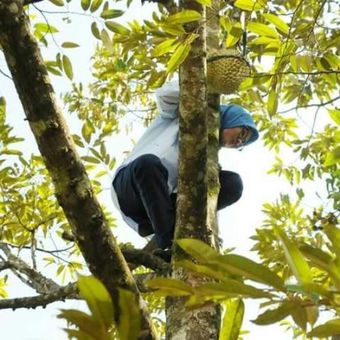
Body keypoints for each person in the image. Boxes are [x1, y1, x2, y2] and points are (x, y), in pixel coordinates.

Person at [111, 80, 259, 259]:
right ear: (231, 118)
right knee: (148, 164)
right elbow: (164, 95)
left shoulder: (208, 159)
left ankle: (188, 236)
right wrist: (202, 93)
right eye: (242, 134)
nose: (240, 142)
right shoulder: (179, 113)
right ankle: (167, 244)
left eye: (244, 143)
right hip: (130, 190)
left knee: (233, 183)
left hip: (161, 208)